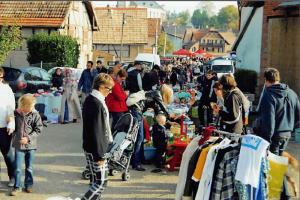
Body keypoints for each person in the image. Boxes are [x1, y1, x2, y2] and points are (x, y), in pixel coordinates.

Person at [256, 68, 300, 200]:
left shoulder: (268, 95)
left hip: (273, 135)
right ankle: (284, 194)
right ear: (278, 78)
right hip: (286, 134)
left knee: (274, 165)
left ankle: (282, 195)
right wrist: (291, 128)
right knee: (279, 162)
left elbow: (269, 120)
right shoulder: (291, 93)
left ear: (266, 80)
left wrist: (266, 140)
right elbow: (298, 115)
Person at [82, 73, 115, 200]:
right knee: (101, 183)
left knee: (95, 181)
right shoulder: (97, 103)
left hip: (91, 147)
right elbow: (98, 131)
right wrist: (100, 154)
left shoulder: (91, 99)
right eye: (109, 88)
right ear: (101, 86)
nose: (110, 92)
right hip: (97, 149)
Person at [126, 84, 174, 171]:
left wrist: (168, 121)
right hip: (136, 110)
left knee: (141, 137)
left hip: (137, 111)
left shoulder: (154, 95)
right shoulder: (157, 93)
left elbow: (158, 112)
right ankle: (135, 163)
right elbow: (162, 107)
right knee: (139, 138)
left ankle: (141, 160)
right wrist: (170, 116)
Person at [10, 94, 43, 196]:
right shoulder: (16, 113)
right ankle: (17, 186)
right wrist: (11, 127)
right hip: (19, 146)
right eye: (30, 107)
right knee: (18, 168)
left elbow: (39, 129)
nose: (32, 108)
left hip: (31, 146)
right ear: (22, 106)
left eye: (33, 106)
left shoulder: (35, 114)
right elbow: (12, 126)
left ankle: (28, 185)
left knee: (29, 167)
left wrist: (28, 138)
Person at [0, 67, 15, 187]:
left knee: (8, 154)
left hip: (4, 126)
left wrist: (11, 123)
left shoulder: (6, 89)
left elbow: (11, 107)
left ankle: (13, 177)